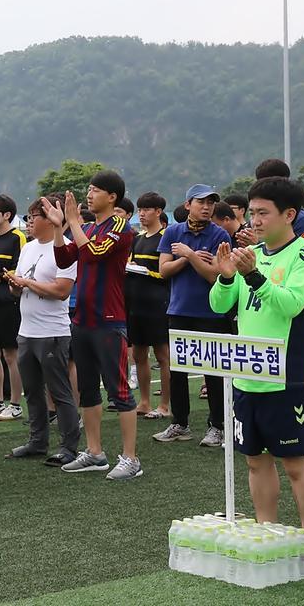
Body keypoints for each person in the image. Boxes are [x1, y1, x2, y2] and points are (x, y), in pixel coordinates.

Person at [209, 177, 304, 568]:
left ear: (288, 215)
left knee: (295, 463)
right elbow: (220, 305)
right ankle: (267, 533)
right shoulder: (250, 254)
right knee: (255, 460)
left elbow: (291, 305)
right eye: (252, 212)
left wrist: (253, 275)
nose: (254, 220)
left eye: (262, 212)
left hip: (287, 376)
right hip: (245, 375)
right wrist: (227, 276)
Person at [47, 170, 143, 481]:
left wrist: (72, 222)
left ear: (112, 196)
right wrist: (59, 226)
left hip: (109, 320)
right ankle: (95, 452)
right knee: (87, 389)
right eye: (88, 189)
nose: (89, 195)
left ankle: (131, 458)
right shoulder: (86, 226)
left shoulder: (119, 226)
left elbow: (96, 252)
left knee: (119, 391)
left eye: (95, 190)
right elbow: (65, 260)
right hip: (83, 319)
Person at [4, 194, 80, 467]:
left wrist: (25, 282)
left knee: (59, 392)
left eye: (33, 216)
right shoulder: (29, 248)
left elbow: (62, 292)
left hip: (52, 332)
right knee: (33, 391)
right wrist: (14, 284)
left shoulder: (66, 249)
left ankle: (69, 446)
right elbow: (22, 286)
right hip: (27, 330)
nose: (28, 222)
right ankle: (38, 441)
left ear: (51, 219)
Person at [154, 184, 232, 447]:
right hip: (179, 309)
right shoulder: (174, 231)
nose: (207, 207)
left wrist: (188, 255)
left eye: (211, 203)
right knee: (178, 371)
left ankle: (218, 426)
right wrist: (188, 258)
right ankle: (180, 423)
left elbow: (215, 276)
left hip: (210, 313)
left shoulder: (219, 235)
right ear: (188, 205)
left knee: (214, 372)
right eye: (201, 202)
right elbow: (163, 270)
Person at [0, 194, 27, 421]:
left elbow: (17, 272)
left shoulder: (17, 237)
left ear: (7, 215)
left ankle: (16, 403)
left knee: (11, 354)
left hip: (9, 303)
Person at [129, 192, 172, 419]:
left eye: (146, 209)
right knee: (138, 353)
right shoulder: (138, 238)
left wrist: (148, 272)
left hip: (158, 302)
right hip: (137, 303)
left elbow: (168, 272)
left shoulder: (167, 237)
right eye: (140, 209)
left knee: (163, 354)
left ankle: (165, 404)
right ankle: (144, 401)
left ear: (158, 212)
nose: (142, 214)